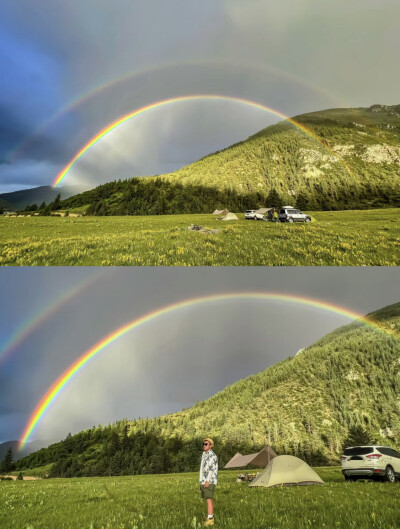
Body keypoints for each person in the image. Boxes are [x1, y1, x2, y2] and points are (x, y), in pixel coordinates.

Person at [199, 438, 218, 526]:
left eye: (206, 444)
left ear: (210, 446)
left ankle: (210, 520)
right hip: (204, 480)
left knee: (209, 500)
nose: (204, 445)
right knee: (208, 499)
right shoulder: (204, 454)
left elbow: (211, 469)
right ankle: (211, 516)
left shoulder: (212, 456)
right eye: (203, 444)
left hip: (209, 481)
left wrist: (207, 480)